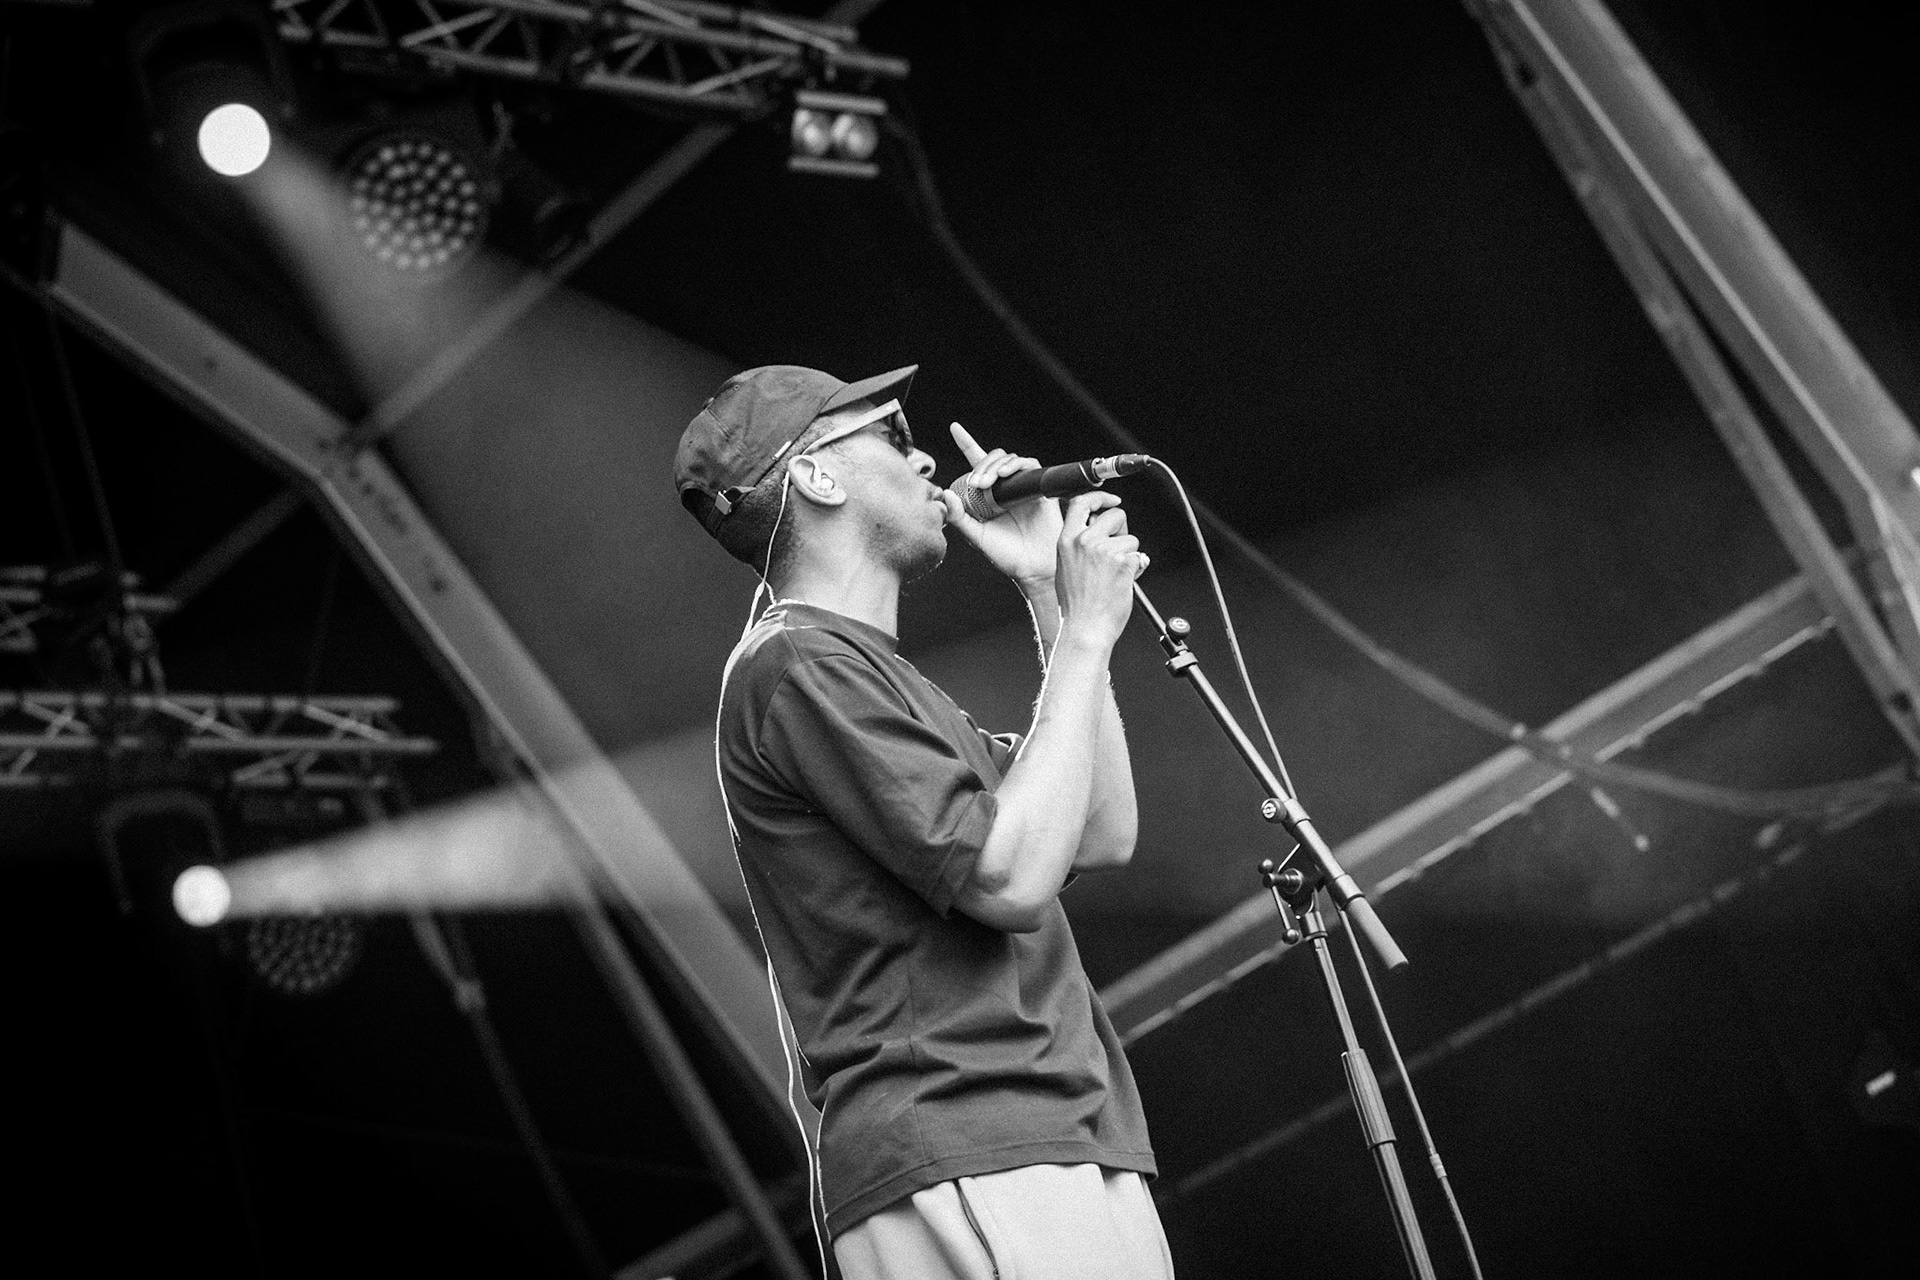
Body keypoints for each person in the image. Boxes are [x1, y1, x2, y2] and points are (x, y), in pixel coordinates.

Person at [675, 363, 1173, 1279]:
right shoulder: (797, 665)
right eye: (892, 436)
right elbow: (1009, 880)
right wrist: (1087, 636)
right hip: (965, 1139)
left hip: (1043, 1133)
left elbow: (1099, 832)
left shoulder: (873, 679)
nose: (924, 459)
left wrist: (1049, 595)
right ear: (816, 476)